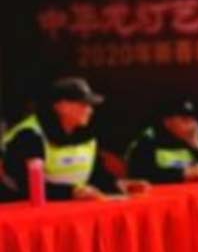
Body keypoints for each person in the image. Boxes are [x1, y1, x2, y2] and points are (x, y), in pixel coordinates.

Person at [0, 77, 149, 201]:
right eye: (83, 104)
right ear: (61, 106)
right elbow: (27, 185)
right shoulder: (29, 136)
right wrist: (72, 192)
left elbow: (96, 174)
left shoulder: (86, 135)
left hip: (69, 209)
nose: (90, 110)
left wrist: (121, 185)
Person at [126, 98, 198, 183]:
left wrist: (196, 145)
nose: (191, 126)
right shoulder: (146, 141)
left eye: (193, 120)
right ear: (167, 122)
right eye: (185, 120)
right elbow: (142, 175)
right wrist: (183, 173)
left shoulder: (191, 139)